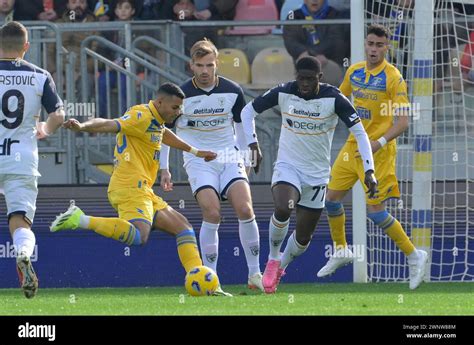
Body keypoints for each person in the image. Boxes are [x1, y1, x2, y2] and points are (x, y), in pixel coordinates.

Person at [241, 56, 377, 294]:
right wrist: (253, 145)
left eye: (310, 79)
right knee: (283, 207)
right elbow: (246, 112)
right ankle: (272, 260)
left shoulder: (334, 98)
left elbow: (361, 134)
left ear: (319, 78)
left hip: (316, 175)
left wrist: (369, 170)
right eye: (301, 78)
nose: (304, 84)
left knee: (303, 239)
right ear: (296, 77)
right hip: (288, 167)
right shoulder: (284, 92)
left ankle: (280, 267)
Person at [50, 83, 216, 279]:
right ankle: (80, 219)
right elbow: (110, 123)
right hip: (129, 187)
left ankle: (198, 278)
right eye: (175, 108)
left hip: (143, 189)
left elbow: (164, 135)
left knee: (183, 227)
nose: (178, 112)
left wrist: (196, 152)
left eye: (180, 108)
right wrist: (82, 126)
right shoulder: (141, 115)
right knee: (139, 236)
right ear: (160, 102)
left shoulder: (156, 120)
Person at [317, 24, 429, 290]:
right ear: (365, 44)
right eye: (370, 44)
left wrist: (378, 142)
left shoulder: (394, 78)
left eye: (379, 45)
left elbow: (403, 122)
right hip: (353, 146)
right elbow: (339, 100)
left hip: (379, 151)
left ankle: (415, 255)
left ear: (386, 47)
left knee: (376, 212)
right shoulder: (354, 71)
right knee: (331, 198)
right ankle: (342, 249)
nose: (373, 49)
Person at [160, 39, 264, 296]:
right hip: (198, 160)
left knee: (245, 207)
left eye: (210, 65)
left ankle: (254, 274)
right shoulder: (181, 96)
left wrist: (247, 153)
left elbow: (241, 125)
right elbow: (165, 133)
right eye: (199, 65)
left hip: (229, 156)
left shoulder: (232, 90)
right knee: (212, 212)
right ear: (191, 66)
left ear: (217, 64)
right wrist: (164, 168)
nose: (205, 71)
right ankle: (212, 279)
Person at [0, 21, 65, 298]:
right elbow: (59, 115)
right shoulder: (39, 76)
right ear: (26, 47)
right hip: (22, 158)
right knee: (19, 218)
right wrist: (45, 129)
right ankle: (24, 253)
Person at [283, 0, 347, 86]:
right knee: (303, 68)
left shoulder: (335, 15)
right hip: (302, 60)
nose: (314, 0)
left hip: (329, 61)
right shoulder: (294, 16)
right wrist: (304, 53)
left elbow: (335, 41)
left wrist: (310, 54)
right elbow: (290, 40)